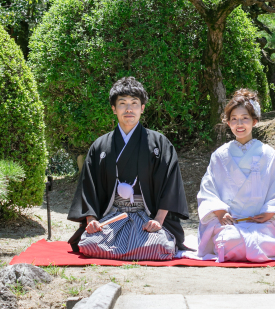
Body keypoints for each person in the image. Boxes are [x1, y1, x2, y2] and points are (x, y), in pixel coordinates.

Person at [67, 77, 189, 260]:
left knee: (160, 245)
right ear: (114, 109)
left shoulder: (159, 143)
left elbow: (171, 184)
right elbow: (88, 187)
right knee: (89, 244)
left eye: (134, 103)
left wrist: (158, 220)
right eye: (122, 103)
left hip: (147, 218)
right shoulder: (100, 146)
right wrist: (91, 220)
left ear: (143, 108)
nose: (129, 109)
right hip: (112, 216)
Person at [196, 89, 275, 262]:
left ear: (255, 121)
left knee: (267, 241)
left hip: (262, 223)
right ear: (228, 123)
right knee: (229, 240)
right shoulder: (220, 155)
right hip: (230, 223)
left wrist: (269, 212)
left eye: (245, 118)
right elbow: (208, 188)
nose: (239, 124)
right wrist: (220, 212)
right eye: (234, 119)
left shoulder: (268, 154)